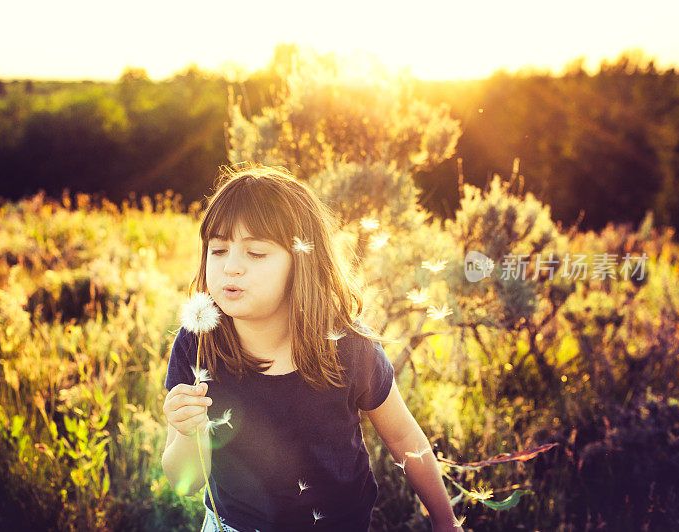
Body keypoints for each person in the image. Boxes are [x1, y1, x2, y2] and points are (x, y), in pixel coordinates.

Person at [161, 163, 464, 532]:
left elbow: (403, 438)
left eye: (255, 253)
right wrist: (189, 433)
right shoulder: (198, 346)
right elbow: (187, 481)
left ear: (301, 261)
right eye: (218, 249)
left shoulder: (349, 349)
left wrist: (447, 523)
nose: (231, 267)